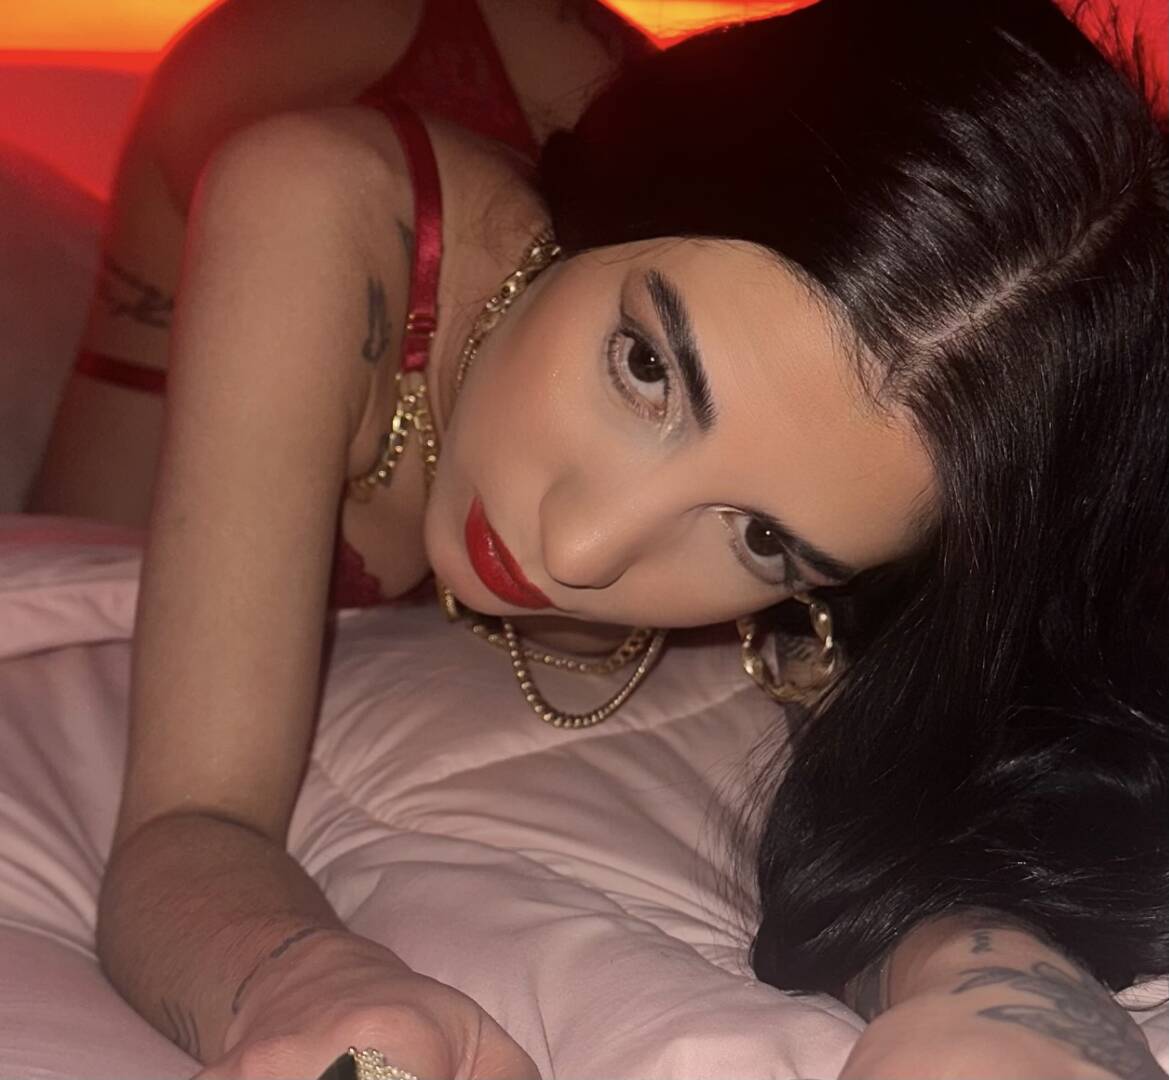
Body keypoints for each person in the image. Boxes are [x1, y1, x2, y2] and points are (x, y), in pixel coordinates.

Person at [29, 0, 1169, 1077]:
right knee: (61, 524)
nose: (578, 553)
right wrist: (304, 984)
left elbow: (908, 773)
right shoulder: (311, 192)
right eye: (644, 369)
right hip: (284, 123)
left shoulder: (875, 449)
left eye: (760, 537)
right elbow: (191, 818)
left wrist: (984, 977)